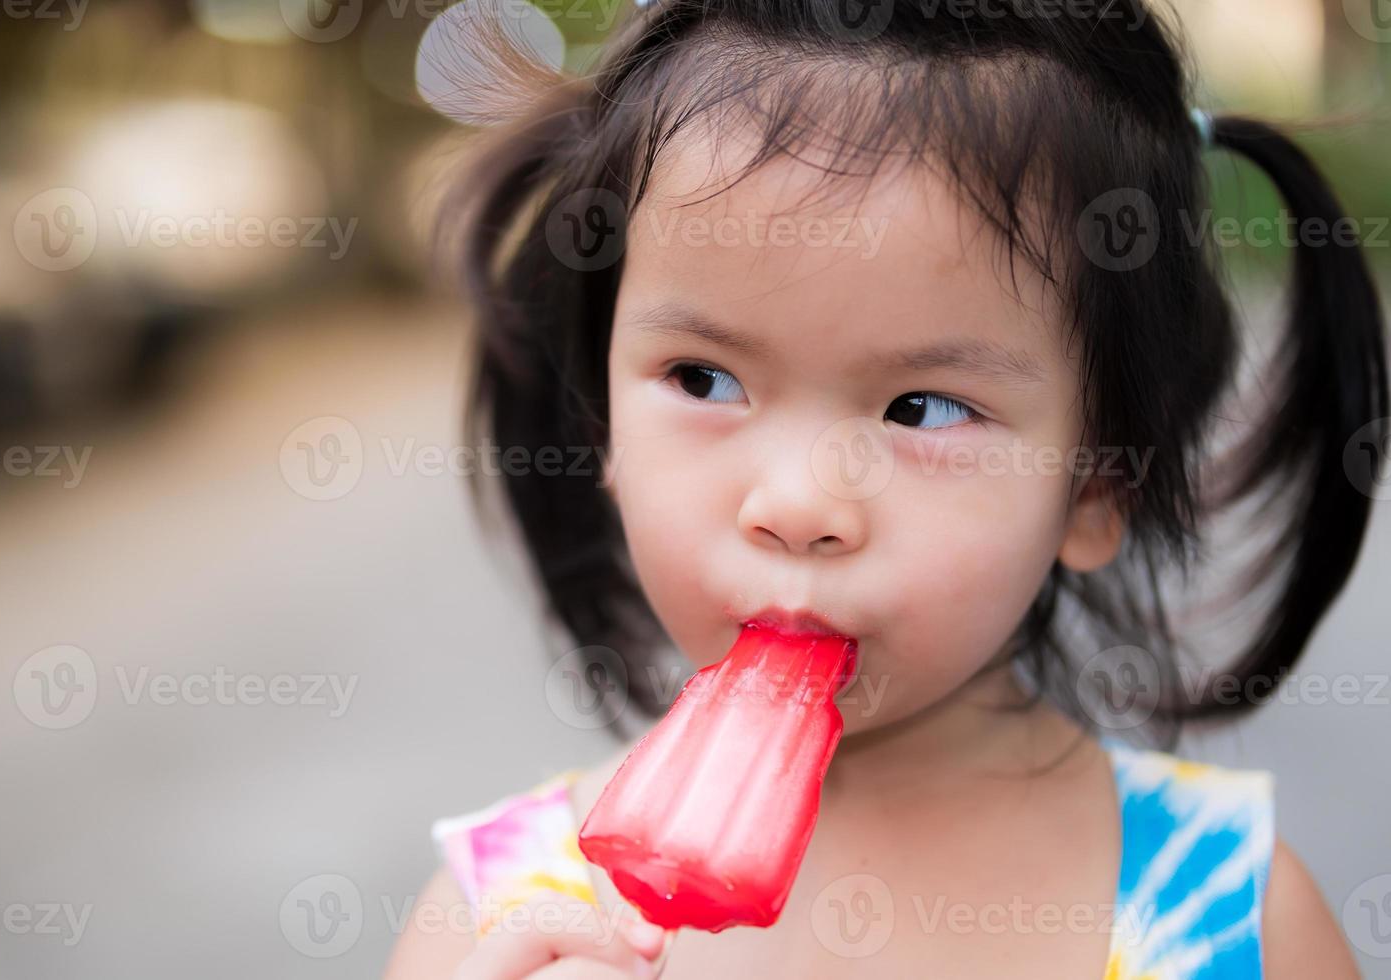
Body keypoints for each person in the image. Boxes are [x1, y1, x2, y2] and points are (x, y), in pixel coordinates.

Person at [387, 0, 1387, 976]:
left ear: (1096, 482)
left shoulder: (1228, 913)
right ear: (601, 422)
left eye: (922, 408)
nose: (797, 504)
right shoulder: (497, 921)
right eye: (703, 378)